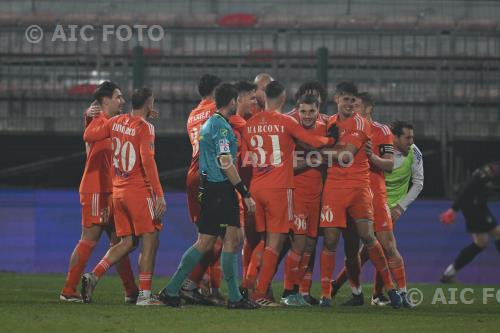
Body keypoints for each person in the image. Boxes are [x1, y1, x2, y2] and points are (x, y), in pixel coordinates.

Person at [158, 83, 260, 310]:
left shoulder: (208, 124)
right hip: (222, 189)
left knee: (205, 242)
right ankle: (235, 297)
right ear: (233, 101)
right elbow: (225, 161)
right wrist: (244, 192)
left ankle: (172, 289)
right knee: (232, 240)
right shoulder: (222, 127)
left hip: (209, 188)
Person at [242, 81, 336, 307]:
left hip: (256, 187)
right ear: (283, 99)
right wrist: (332, 140)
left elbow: (246, 157)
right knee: (276, 243)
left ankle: (247, 285)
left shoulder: (250, 124)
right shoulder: (286, 122)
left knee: (263, 241)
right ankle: (261, 293)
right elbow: (314, 141)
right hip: (278, 188)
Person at [81, 88, 167, 306]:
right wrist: (159, 195)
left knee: (127, 242)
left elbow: (89, 135)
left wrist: (93, 117)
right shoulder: (145, 128)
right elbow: (148, 161)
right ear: (149, 104)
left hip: (118, 192)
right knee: (150, 239)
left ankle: (94, 275)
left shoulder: (116, 121)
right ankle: (145, 296)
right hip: (139, 191)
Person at [318, 82, 401, 308]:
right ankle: (326, 294)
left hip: (359, 188)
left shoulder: (362, 125)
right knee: (331, 240)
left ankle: (391, 289)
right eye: (345, 99)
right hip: (334, 188)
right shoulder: (328, 123)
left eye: (353, 100)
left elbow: (346, 156)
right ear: (336, 100)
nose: (350, 103)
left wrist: (320, 149)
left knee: (368, 237)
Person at [60, 81, 138, 303]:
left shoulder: (109, 123)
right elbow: (88, 136)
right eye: (118, 97)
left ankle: (131, 291)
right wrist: (93, 118)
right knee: (89, 239)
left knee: (120, 242)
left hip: (111, 191)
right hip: (96, 190)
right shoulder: (98, 121)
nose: (122, 101)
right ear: (106, 101)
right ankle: (68, 290)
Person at [280, 94, 327, 306]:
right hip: (297, 193)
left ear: (318, 111)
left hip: (316, 195)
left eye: (311, 111)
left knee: (309, 245)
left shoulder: (324, 127)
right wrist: (313, 159)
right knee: (298, 245)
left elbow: (330, 154)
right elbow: (286, 164)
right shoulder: (291, 129)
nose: (307, 116)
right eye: (303, 111)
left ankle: (300, 292)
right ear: (297, 111)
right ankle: (288, 291)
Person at [182, 74, 225, 305]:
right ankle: (188, 283)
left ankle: (206, 286)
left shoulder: (192, 114)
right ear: (216, 90)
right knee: (218, 238)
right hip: (210, 175)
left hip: (193, 175)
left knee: (207, 236)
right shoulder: (216, 111)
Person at [440, 161, 500, 283]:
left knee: (481, 243)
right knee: (493, 236)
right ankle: (449, 273)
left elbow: (488, 188)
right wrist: (454, 209)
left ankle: (449, 273)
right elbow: (467, 188)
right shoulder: (488, 171)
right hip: (475, 209)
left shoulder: (489, 172)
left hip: (478, 207)